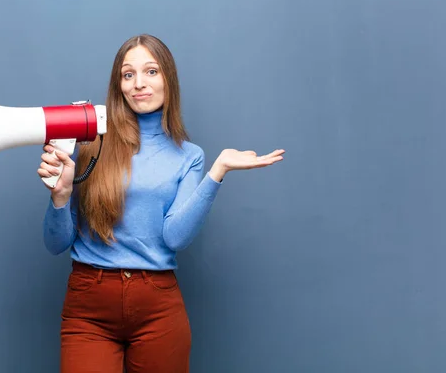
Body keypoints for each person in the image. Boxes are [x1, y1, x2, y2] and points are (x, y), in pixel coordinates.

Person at [38, 34, 284, 373]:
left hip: (157, 308)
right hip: (88, 307)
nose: (139, 83)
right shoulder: (91, 142)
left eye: (151, 71)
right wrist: (60, 196)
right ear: (119, 85)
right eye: (128, 74)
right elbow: (55, 244)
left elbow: (175, 238)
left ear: (168, 78)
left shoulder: (190, 156)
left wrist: (217, 171)